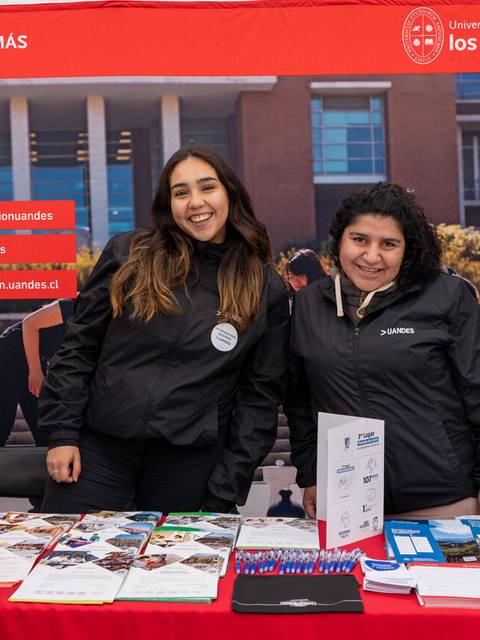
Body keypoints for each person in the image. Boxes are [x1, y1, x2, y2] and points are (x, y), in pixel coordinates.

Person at [39, 146, 290, 514]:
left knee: (179, 572)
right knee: (71, 566)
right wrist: (62, 434)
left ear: (229, 193)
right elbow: (79, 347)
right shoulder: (129, 254)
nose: (195, 202)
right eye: (181, 192)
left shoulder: (263, 285)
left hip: (189, 469)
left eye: (207, 187)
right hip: (96, 455)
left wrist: (226, 487)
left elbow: (260, 398)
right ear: (167, 203)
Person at [286, 182, 480, 519]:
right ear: (340, 239)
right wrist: (310, 473)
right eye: (359, 239)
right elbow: (300, 402)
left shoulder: (447, 296)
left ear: (408, 249)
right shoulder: (308, 305)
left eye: (388, 244)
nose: (371, 256)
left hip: (442, 503)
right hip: (346, 507)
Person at [0, 299, 74, 446]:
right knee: (2, 425)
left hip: (35, 360)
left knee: (46, 431)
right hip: (7, 354)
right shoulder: (72, 305)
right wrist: (35, 371)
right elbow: (29, 323)